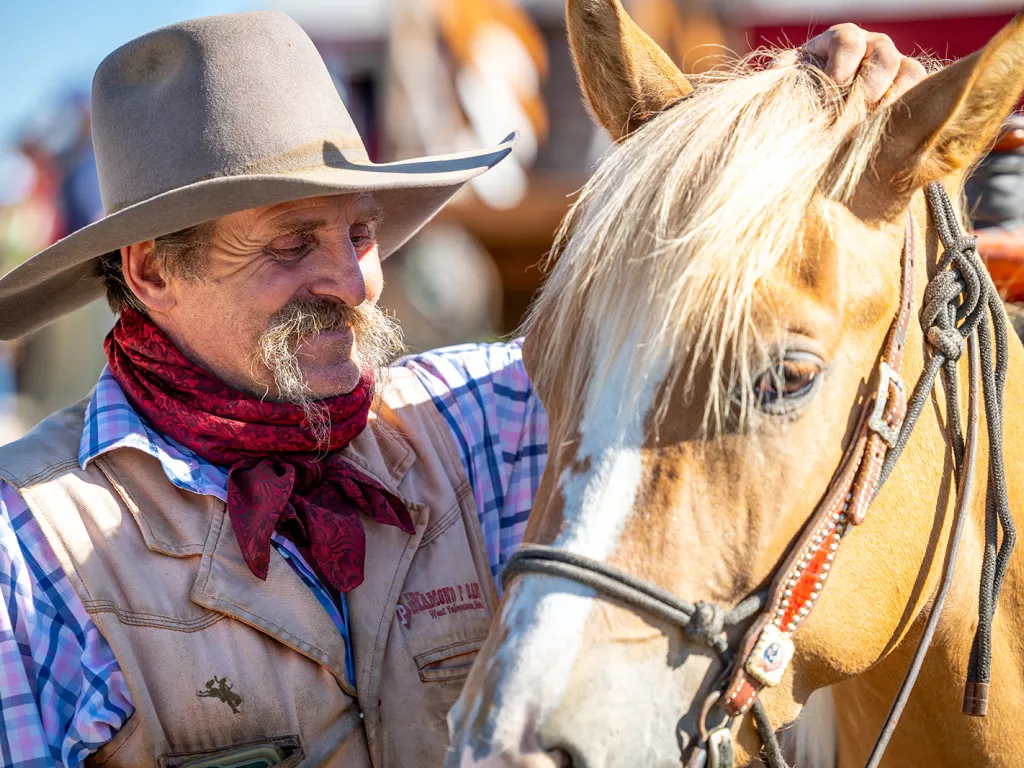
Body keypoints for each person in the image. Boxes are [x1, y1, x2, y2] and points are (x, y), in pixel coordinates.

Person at [0, 12, 923, 768]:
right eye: (291, 245)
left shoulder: (478, 421)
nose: (357, 284)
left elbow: (698, 363)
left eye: (359, 234)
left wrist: (784, 133)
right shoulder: (30, 549)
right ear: (153, 270)